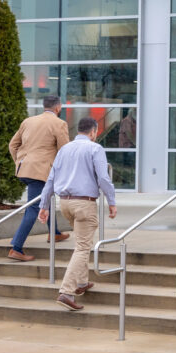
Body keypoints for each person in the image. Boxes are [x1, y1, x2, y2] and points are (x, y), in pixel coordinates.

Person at [37, 117, 117, 311]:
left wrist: (44, 205)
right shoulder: (95, 148)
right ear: (93, 132)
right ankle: (66, 291)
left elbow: (51, 179)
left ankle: (81, 283)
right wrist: (112, 201)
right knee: (82, 247)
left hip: (65, 203)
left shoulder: (64, 149)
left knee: (82, 242)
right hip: (84, 203)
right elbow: (104, 178)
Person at [7, 95, 70, 262]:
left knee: (46, 199)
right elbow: (65, 151)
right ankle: (16, 247)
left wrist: (20, 162)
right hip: (41, 172)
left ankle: (54, 233)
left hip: (25, 168)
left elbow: (12, 145)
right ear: (58, 108)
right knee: (34, 208)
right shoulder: (59, 123)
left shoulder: (28, 121)